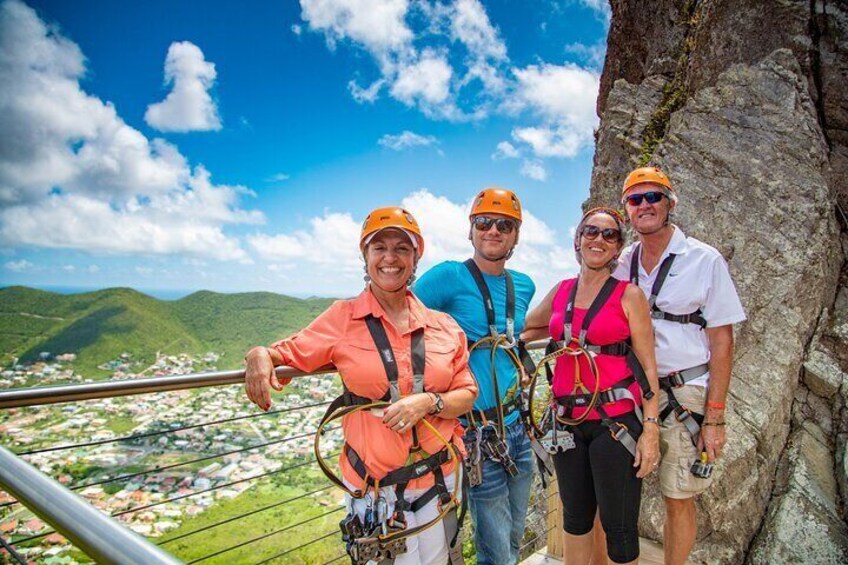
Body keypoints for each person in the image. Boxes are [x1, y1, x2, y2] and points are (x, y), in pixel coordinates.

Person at [244, 206, 477, 565]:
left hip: (439, 482)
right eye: (378, 247)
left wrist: (428, 402)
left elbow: (467, 392)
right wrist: (259, 354)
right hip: (376, 492)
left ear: (416, 258)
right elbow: (288, 352)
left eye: (402, 248)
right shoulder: (342, 319)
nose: (390, 258)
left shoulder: (443, 326)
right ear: (364, 256)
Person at [614, 166, 746, 565]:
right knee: (616, 493)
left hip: (685, 393)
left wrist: (715, 418)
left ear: (670, 203)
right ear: (627, 211)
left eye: (653, 196)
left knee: (678, 498)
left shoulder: (703, 259)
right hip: (633, 390)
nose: (645, 205)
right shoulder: (625, 260)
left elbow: (722, 341)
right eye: (635, 199)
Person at [522, 207, 661, 565]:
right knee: (575, 519)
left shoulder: (629, 296)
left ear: (617, 249)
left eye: (609, 234)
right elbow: (528, 328)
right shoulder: (562, 291)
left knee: (619, 529)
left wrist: (650, 430)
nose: (598, 239)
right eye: (591, 232)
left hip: (614, 425)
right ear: (578, 240)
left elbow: (647, 367)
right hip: (567, 422)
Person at [414, 188, 536, 565]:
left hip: (517, 425)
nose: (493, 231)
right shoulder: (448, 278)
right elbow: (393, 315)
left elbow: (525, 330)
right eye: (484, 223)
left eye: (504, 225)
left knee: (514, 531)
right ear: (471, 231)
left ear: (515, 235)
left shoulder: (524, 285)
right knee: (495, 543)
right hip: (476, 430)